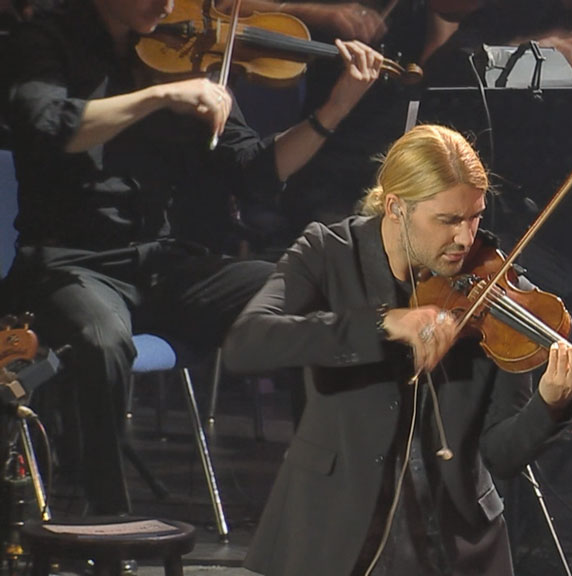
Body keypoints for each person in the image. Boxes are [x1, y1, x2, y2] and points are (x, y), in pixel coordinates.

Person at [4, 0, 383, 515]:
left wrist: (335, 107)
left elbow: (254, 171)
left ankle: (326, 499)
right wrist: (158, 97)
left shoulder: (184, 58)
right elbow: (50, 127)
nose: (167, 4)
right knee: (100, 341)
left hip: (164, 264)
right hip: (70, 264)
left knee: (310, 293)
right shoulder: (44, 42)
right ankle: (106, 521)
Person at [222, 124, 572, 575]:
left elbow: (500, 454)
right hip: (335, 528)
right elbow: (247, 343)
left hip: (450, 539)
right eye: (448, 220)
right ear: (396, 207)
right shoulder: (330, 253)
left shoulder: (494, 290)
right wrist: (381, 324)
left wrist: (549, 405)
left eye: (475, 217)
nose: (466, 238)